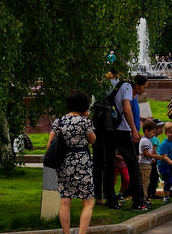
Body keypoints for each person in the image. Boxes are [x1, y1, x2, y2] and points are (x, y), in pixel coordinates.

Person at [49, 90, 98, 234]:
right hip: (81, 163)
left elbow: (50, 143)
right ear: (84, 105)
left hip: (63, 164)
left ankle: (66, 232)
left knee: (65, 200)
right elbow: (93, 139)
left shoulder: (58, 121)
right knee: (88, 202)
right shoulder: (84, 122)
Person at [102, 73, 148, 211]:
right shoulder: (126, 86)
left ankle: (111, 200)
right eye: (144, 87)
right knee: (133, 165)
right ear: (137, 85)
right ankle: (138, 201)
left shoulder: (109, 83)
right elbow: (127, 109)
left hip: (108, 129)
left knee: (109, 165)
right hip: (121, 130)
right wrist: (134, 129)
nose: (144, 90)